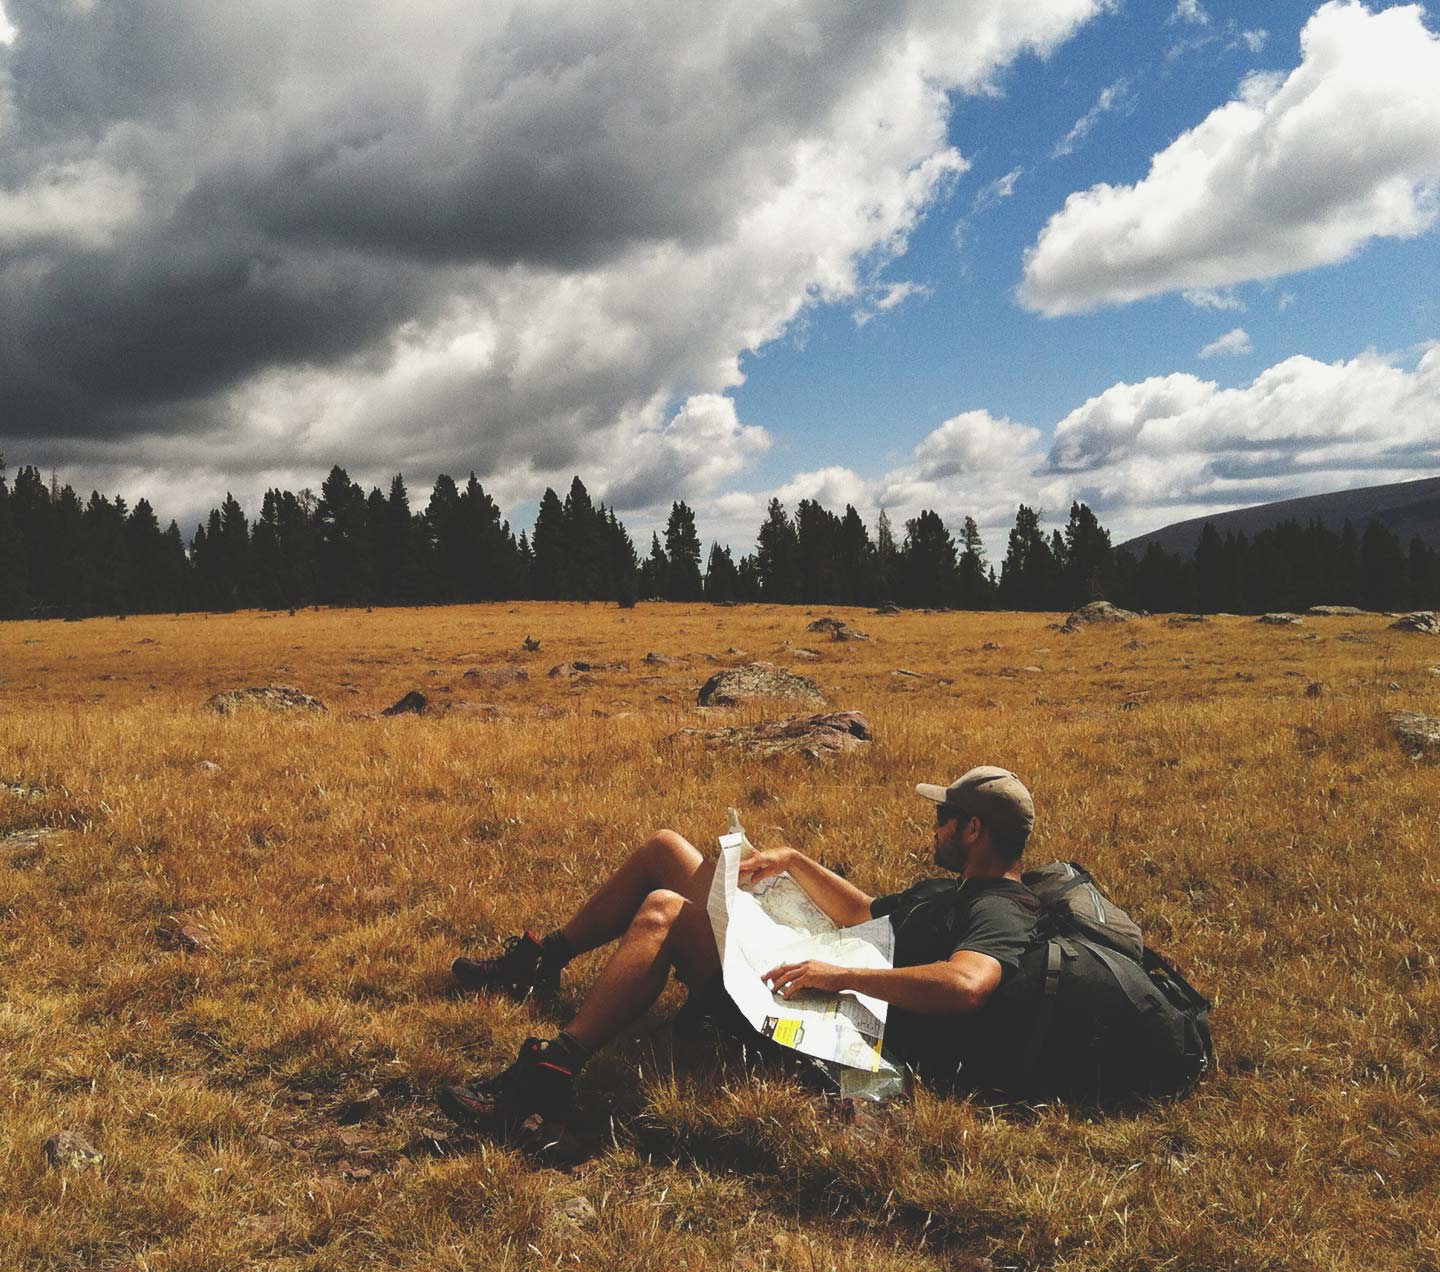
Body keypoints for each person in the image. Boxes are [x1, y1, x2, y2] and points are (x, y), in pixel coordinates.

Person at [437, 766, 1041, 1132]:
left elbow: (967, 986)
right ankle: (540, 963)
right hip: (811, 970)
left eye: (944, 815)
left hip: (820, 1019)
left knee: (665, 910)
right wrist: (795, 861)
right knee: (667, 850)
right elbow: (866, 915)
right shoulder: (953, 888)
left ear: (972, 830)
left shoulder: (999, 909)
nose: (934, 825)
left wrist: (834, 975)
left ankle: (549, 1075)